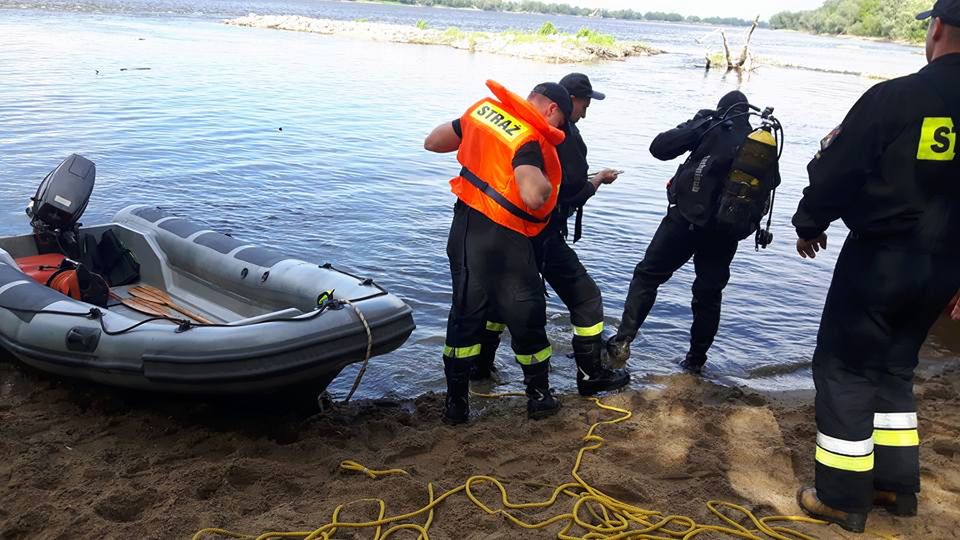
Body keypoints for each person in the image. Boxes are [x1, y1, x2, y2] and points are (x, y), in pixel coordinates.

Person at [793, 1, 960, 532]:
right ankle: (894, 485)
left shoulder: (897, 97)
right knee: (894, 368)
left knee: (844, 368)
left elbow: (840, 170)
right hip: (944, 269)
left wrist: (808, 221)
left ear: (936, 29)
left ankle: (842, 497)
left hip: (881, 260)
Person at [471, 73, 630, 397]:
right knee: (586, 298)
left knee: (498, 302)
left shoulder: (516, 125)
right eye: (584, 104)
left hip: (501, 229)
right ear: (568, 102)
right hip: (542, 234)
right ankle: (590, 375)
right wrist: (597, 180)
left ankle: (480, 368)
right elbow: (568, 194)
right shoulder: (560, 136)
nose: (585, 112)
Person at [424, 80, 572, 424]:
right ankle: (539, 398)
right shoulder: (528, 139)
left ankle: (456, 407)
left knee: (464, 314)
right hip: (506, 238)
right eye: (561, 121)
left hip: (465, 230)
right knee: (527, 313)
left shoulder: (483, 114)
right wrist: (549, 188)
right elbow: (534, 194)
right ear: (551, 109)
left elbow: (433, 142)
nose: (558, 128)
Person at [606, 91, 781, 374]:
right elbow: (772, 182)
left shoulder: (711, 126)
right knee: (708, 294)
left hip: (684, 222)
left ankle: (622, 342)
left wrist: (698, 122)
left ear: (721, 109)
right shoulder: (758, 144)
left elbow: (659, 148)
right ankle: (696, 360)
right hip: (726, 231)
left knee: (647, 276)